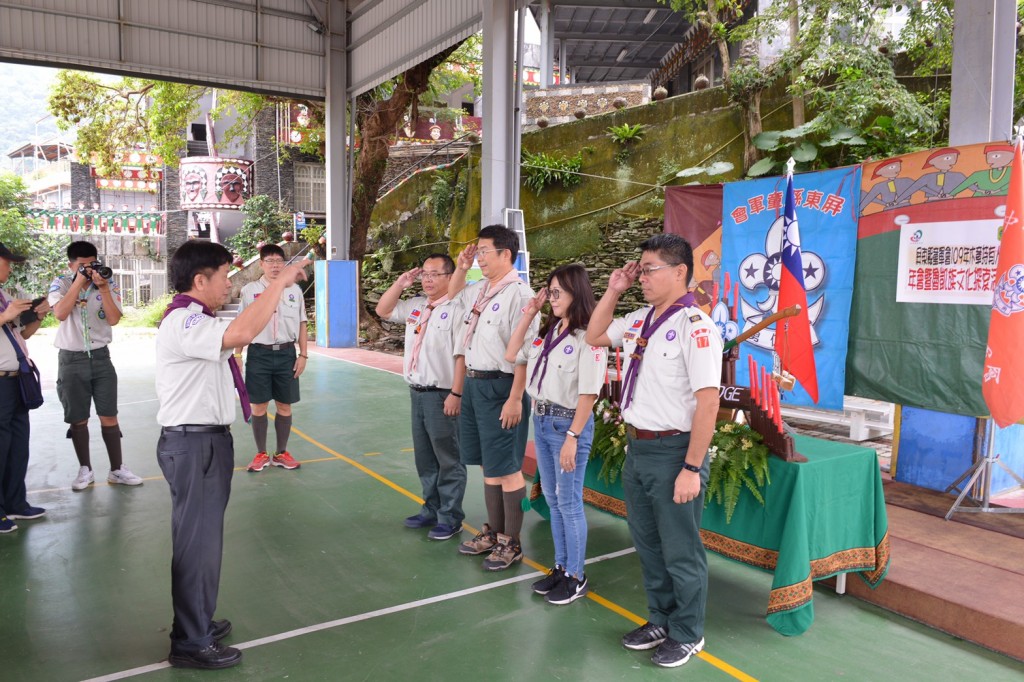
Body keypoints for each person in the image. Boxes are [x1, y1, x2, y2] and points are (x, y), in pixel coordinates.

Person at [156, 240, 308, 669]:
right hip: (194, 444)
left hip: (203, 442)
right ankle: (190, 641)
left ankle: (195, 620)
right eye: (224, 276)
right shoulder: (184, 321)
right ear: (200, 280)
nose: (228, 283)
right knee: (197, 546)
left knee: (202, 543)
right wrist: (277, 285)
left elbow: (237, 328)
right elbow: (242, 332)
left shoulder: (198, 319)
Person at [585, 233, 722, 669]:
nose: (641, 277)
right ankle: (661, 618)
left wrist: (691, 467)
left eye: (649, 270)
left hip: (672, 451)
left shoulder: (696, 327)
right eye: (640, 270)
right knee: (647, 544)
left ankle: (688, 632)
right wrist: (614, 289)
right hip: (637, 449)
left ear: (680, 272)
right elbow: (594, 334)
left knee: (681, 549)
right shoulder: (642, 319)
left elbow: (708, 401)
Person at [505, 263, 606, 604]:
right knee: (552, 499)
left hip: (567, 426)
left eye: (557, 292)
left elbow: (589, 394)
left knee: (569, 502)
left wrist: (574, 437)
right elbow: (511, 353)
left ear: (577, 293)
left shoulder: (588, 337)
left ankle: (576, 575)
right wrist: (530, 311)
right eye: (549, 291)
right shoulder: (548, 330)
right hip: (543, 420)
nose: (551, 297)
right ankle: (561, 567)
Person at [448, 225, 537, 570]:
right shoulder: (482, 290)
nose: (479, 258)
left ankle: (511, 542)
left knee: (508, 468)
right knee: (488, 464)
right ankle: (494, 533)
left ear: (506, 254)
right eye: (478, 252)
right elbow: (454, 296)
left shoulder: (521, 296)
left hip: (502, 387)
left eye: (485, 252)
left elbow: (524, 354)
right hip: (474, 384)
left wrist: (515, 398)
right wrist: (460, 266)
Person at [376, 253, 467, 541]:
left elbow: (462, 355)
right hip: (417, 392)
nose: (427, 279)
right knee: (425, 457)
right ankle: (431, 507)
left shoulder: (457, 308)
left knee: (448, 458)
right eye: (424, 274)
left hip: (442, 394)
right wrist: (402, 283)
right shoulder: (417, 306)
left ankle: (451, 517)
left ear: (450, 277)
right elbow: (383, 309)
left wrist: (456, 392)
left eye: (434, 274)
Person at [48, 241, 142, 490]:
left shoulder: (106, 282)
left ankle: (117, 469)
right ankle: (85, 469)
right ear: (71, 264)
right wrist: (79, 281)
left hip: (101, 357)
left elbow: (113, 319)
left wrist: (103, 288)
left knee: (109, 414)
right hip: (71, 358)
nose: (89, 269)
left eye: (92, 264)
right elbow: (59, 313)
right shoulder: (61, 283)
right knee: (78, 418)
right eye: (82, 265)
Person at [235, 244, 309, 472]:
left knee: (284, 406)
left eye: (279, 261)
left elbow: (302, 323)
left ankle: (281, 453)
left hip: (287, 354)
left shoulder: (294, 290)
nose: (275, 265)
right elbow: (243, 323)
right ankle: (261, 454)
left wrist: (303, 354)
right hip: (259, 354)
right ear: (261, 264)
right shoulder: (250, 290)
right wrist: (238, 353)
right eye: (270, 261)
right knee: (258, 407)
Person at [0, 242, 50, 533]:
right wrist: (6, 315)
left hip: (16, 378)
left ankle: (16, 503)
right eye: (7, 261)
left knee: (17, 444)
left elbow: (21, 334)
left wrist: (38, 315)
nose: (10, 267)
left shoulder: (3, 294)